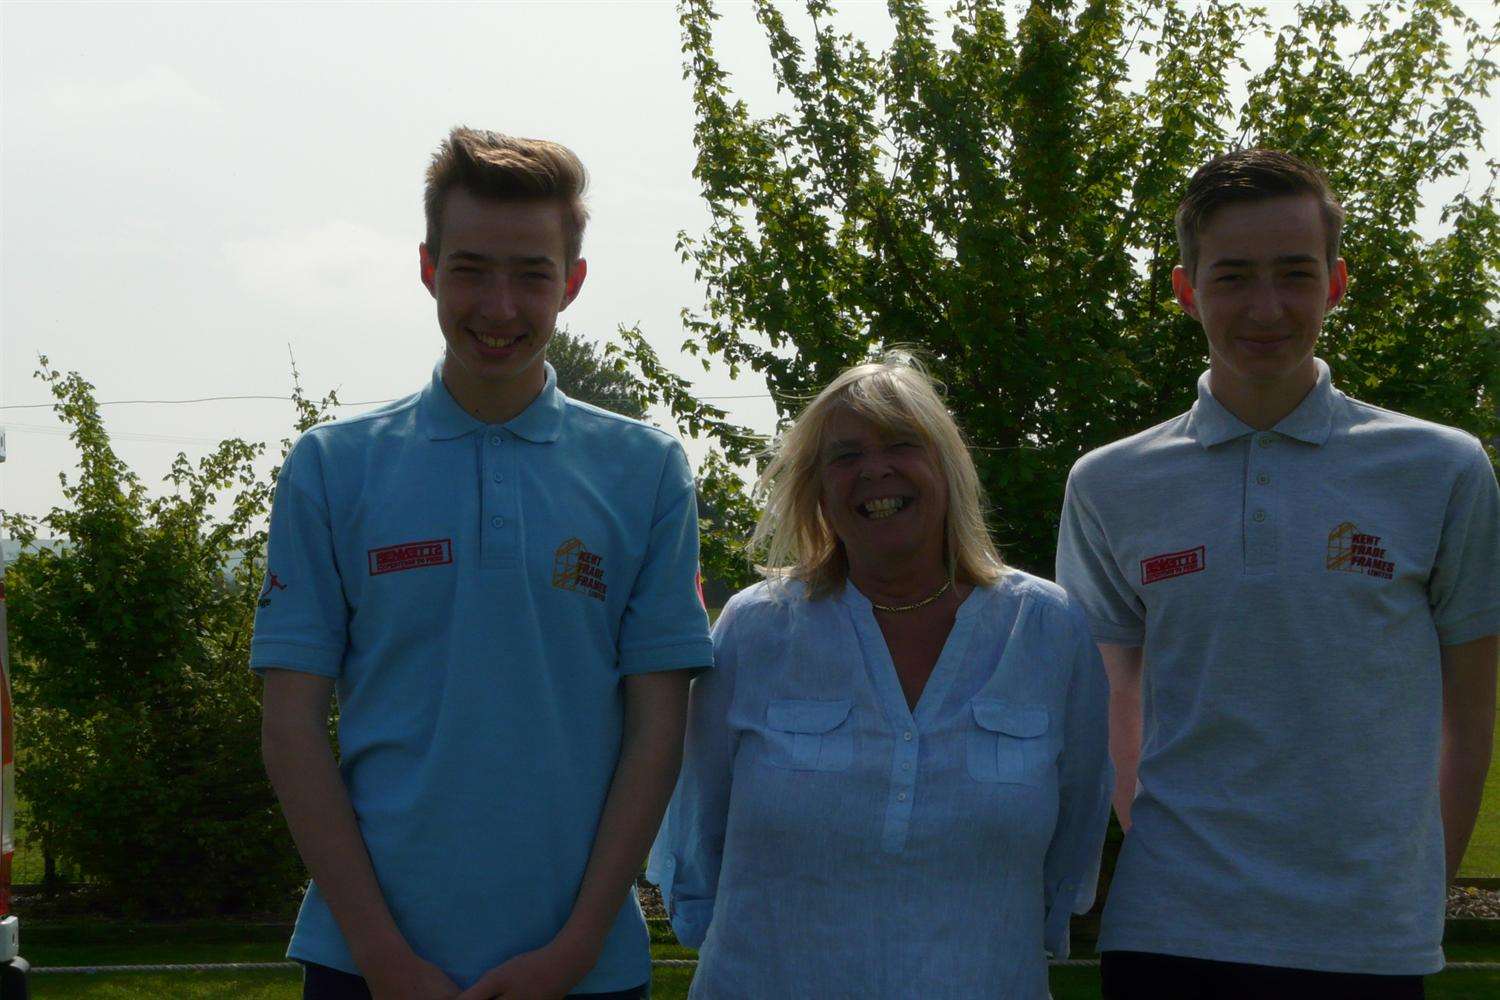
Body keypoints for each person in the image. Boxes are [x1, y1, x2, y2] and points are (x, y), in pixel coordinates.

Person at [252, 128, 712, 1000]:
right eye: (470, 269)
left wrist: (574, 951)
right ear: (427, 268)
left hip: (583, 968)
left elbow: (659, 733)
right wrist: (385, 959)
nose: (499, 305)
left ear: (571, 282)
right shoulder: (332, 466)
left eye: (531, 273)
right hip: (366, 967)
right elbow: (290, 731)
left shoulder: (646, 470)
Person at [1057, 148, 1500, 999]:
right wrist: (1165, 852)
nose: (1266, 308)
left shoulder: (1442, 469)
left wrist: (1413, 893)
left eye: (1295, 275)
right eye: (1232, 278)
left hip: (1365, 940)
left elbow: (1469, 718)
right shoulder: (1109, 482)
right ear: (1187, 290)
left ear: (1335, 284)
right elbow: (1113, 699)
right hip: (1170, 930)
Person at [649, 355, 1112, 998]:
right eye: (843, 456)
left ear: (948, 469)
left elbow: (1076, 834)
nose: (874, 470)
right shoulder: (754, 631)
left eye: (901, 445)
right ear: (814, 487)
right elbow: (696, 834)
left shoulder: (1046, 630)